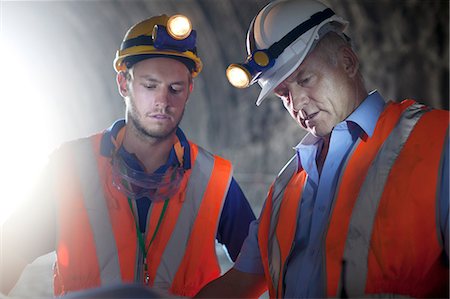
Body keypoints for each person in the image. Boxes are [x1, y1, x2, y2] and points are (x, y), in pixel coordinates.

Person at [196, 0, 449, 298]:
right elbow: (238, 284)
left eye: (305, 79)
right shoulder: (285, 185)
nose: (297, 103)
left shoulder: (436, 141)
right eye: (284, 93)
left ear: (347, 62)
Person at [0, 14, 256, 297]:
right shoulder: (70, 168)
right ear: (124, 84)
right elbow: (9, 252)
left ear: (190, 91)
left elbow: (259, 266)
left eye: (175, 88)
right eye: (150, 85)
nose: (163, 100)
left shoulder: (213, 179)